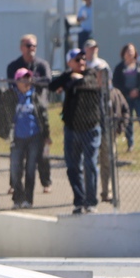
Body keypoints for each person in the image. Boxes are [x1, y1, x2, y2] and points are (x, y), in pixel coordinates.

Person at [0, 68, 49, 209]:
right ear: (16, 81)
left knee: (30, 170)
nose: (27, 82)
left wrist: (46, 136)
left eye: (29, 79)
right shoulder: (9, 96)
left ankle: (28, 200)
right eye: (23, 79)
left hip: (34, 138)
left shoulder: (35, 97)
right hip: (17, 138)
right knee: (15, 169)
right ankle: (18, 198)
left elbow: (44, 117)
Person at [49, 49, 104, 214]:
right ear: (69, 63)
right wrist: (68, 78)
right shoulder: (68, 75)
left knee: (90, 165)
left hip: (90, 128)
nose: (81, 62)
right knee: (73, 167)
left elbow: (87, 84)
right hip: (72, 128)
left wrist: (74, 81)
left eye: (82, 59)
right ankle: (79, 201)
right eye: (77, 59)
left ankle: (91, 202)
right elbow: (52, 86)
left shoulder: (92, 73)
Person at [7, 34, 53, 192]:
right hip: (21, 111)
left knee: (42, 152)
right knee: (17, 154)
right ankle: (14, 185)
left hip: (39, 111)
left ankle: (46, 182)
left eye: (34, 46)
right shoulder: (14, 66)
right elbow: (11, 85)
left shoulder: (41, 65)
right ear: (21, 48)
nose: (32, 48)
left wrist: (31, 82)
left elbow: (48, 81)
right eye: (28, 46)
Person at [113, 44, 140, 151]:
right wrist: (128, 92)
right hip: (126, 98)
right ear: (123, 54)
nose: (130, 53)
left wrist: (138, 90)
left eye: (132, 51)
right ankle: (130, 144)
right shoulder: (119, 68)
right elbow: (116, 83)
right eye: (127, 51)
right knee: (128, 120)